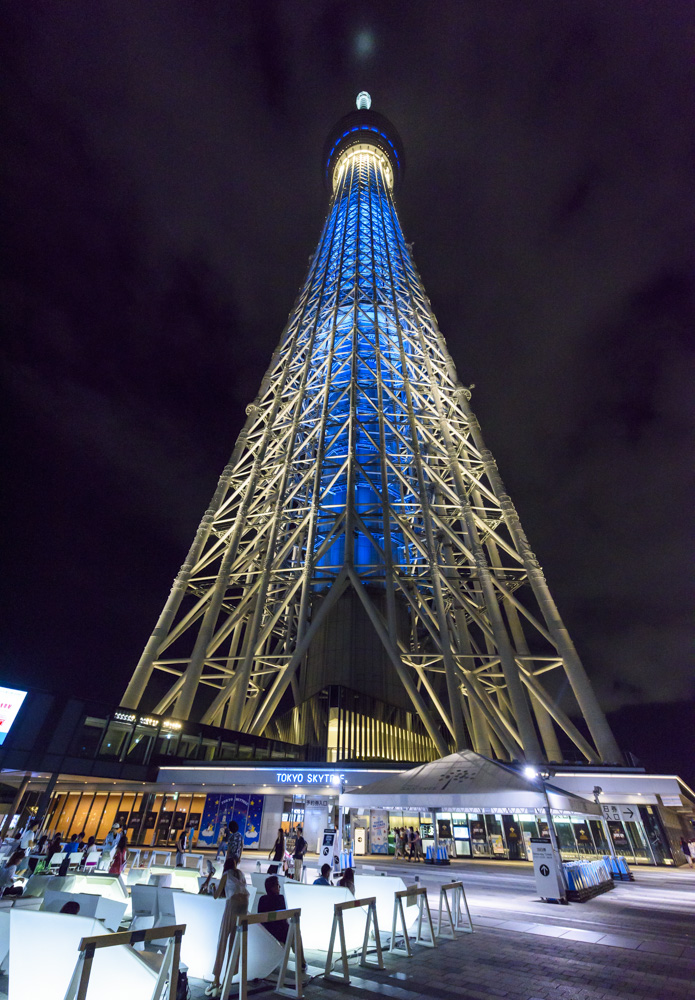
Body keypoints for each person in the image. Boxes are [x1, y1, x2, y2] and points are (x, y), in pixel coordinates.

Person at [205, 856, 249, 997]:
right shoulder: (241, 874)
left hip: (232, 906)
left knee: (223, 940)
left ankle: (216, 979)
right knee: (235, 944)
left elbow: (216, 895)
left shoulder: (226, 874)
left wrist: (212, 887)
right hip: (244, 907)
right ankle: (227, 978)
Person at [257, 875, 288, 945]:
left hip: (266, 932)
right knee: (295, 930)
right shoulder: (280, 898)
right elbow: (283, 918)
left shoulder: (262, 899)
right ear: (272, 888)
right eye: (277, 885)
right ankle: (299, 954)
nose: (279, 887)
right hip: (280, 932)